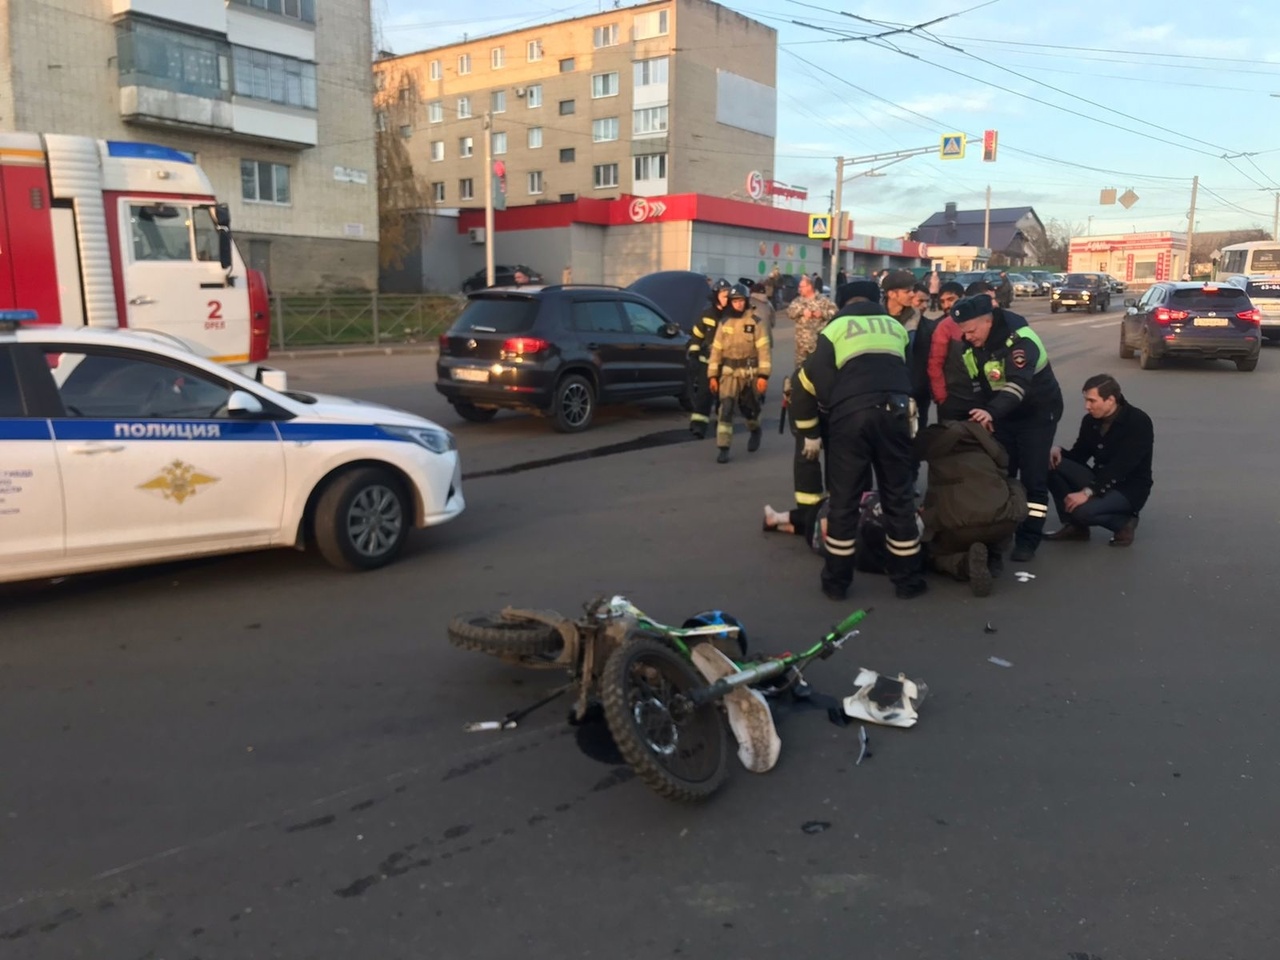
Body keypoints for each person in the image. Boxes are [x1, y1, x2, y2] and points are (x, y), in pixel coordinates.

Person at [789, 292, 928, 601]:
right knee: (898, 497)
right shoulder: (895, 327)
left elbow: (815, 381)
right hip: (896, 412)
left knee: (844, 501)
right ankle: (907, 580)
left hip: (852, 417)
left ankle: (836, 582)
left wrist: (830, 413)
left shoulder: (835, 329)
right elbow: (911, 374)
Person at [951, 293, 1064, 562]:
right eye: (964, 332)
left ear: (987, 321)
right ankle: (1002, 533)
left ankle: (1029, 538)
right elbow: (978, 385)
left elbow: (1018, 386)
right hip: (1004, 415)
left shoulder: (1020, 340)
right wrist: (983, 415)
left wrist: (990, 411)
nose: (968, 336)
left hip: (1037, 414)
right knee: (1002, 474)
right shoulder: (970, 346)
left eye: (971, 330)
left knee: (1033, 480)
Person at [764, 279, 872, 538]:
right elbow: (790, 312)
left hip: (832, 384)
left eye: (803, 285)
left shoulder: (835, 320)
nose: (800, 289)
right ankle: (810, 513)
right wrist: (810, 433)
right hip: (807, 372)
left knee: (842, 457)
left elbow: (830, 314)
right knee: (808, 453)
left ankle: (830, 513)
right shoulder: (802, 305)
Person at [916, 419, 1028, 596]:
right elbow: (1006, 471)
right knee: (1012, 485)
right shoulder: (991, 452)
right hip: (1002, 523)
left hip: (959, 530)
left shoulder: (937, 456)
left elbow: (935, 506)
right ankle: (994, 553)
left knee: (931, 553)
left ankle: (964, 563)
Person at [1045, 374, 1153, 546]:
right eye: (1086, 400)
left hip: (1129, 487)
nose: (1086, 406)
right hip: (1099, 478)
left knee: (1082, 512)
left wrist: (1086, 492)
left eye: (1092, 401)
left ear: (1110, 400)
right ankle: (1075, 528)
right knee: (1051, 464)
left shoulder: (1138, 421)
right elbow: (1080, 455)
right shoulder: (1090, 421)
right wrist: (1059, 451)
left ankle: (1123, 524)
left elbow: (1122, 466)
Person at [707, 283, 771, 464]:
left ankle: (755, 430)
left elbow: (764, 350)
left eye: (741, 301)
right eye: (735, 301)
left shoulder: (756, 322)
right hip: (728, 373)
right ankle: (723, 447)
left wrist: (763, 376)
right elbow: (716, 351)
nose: (738, 305)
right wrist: (712, 375)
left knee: (749, 409)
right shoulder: (724, 322)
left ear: (746, 301)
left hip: (750, 373)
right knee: (726, 408)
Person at [687, 279, 731, 438]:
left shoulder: (733, 316)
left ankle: (722, 426)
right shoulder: (707, 315)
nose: (727, 299)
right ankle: (698, 425)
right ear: (716, 296)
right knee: (704, 395)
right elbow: (697, 337)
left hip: (727, 364)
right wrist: (693, 355)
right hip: (708, 363)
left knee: (724, 397)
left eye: (729, 295)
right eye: (724, 295)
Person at [927, 280, 976, 422]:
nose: (947, 305)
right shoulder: (944, 326)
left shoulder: (979, 319)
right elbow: (935, 363)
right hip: (953, 397)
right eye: (943, 302)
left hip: (980, 397)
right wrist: (941, 396)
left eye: (951, 299)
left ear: (963, 297)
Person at [748, 281, 776, 348]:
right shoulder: (769, 304)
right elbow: (772, 322)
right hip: (766, 339)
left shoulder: (748, 302)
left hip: (752, 339)